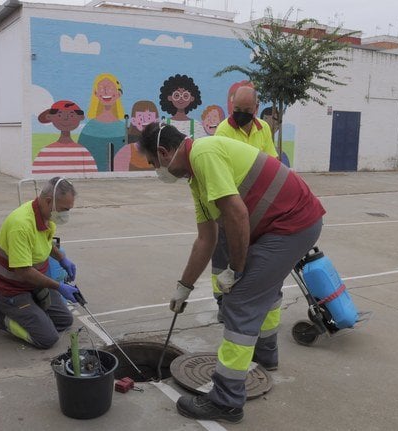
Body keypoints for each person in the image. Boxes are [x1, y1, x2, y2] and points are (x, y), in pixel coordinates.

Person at [137, 123, 325, 423]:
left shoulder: (204, 153)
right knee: (263, 288)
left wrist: (236, 270)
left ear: (163, 152)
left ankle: (226, 402)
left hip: (292, 224)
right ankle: (264, 355)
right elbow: (206, 238)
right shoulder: (195, 176)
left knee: (241, 301)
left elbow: (236, 214)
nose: (155, 170)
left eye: (152, 163)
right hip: (287, 224)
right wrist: (183, 286)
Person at [0, 177, 81, 349]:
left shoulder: (46, 216)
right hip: (10, 289)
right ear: (48, 201)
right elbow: (23, 272)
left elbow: (45, 243)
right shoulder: (21, 225)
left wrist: (62, 258)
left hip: (34, 284)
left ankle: (28, 309)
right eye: (64, 209)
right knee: (47, 338)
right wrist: (58, 287)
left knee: (64, 320)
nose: (66, 214)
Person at [211, 86, 278, 349]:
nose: (240, 115)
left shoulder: (263, 128)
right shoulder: (223, 131)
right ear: (231, 106)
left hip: (258, 203)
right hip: (232, 201)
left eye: (246, 111)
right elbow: (224, 171)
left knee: (252, 260)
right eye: (236, 111)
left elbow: (271, 161)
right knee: (223, 258)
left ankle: (251, 313)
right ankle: (222, 302)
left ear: (256, 108)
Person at [78, 73, 127, 172]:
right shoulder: (89, 128)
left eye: (110, 88)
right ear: (96, 93)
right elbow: (82, 155)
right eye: (101, 88)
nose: (105, 91)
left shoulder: (123, 128)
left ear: (118, 94)